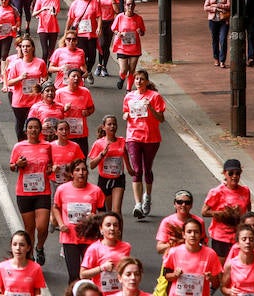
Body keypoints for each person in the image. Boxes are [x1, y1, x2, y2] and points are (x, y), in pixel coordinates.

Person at [52, 159, 106, 283]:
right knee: (74, 275)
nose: (81, 173)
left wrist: (95, 217)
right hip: (70, 237)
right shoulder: (62, 189)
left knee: (90, 275)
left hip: (90, 238)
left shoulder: (96, 191)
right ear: (71, 174)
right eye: (77, 170)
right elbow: (55, 207)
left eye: (84, 170)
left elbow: (104, 213)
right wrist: (61, 224)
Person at [8, 118, 52, 265]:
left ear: (40, 130)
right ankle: (31, 254)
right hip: (24, 192)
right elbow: (12, 167)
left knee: (42, 226)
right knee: (30, 228)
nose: (33, 130)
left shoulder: (47, 146)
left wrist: (52, 169)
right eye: (30, 127)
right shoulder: (19, 146)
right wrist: (17, 164)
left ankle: (39, 247)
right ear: (26, 130)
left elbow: (51, 164)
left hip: (42, 191)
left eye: (36, 128)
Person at [122, 70, 165, 220]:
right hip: (133, 136)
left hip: (151, 138)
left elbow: (161, 119)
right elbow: (125, 112)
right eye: (137, 79)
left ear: (147, 81)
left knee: (147, 169)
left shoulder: (155, 96)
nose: (139, 81)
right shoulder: (129, 96)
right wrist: (125, 115)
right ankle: (138, 204)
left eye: (142, 79)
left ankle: (148, 196)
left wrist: (150, 108)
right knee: (137, 169)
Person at [202, 158, 251, 263]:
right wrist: (222, 214)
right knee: (222, 266)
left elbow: (248, 211)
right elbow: (204, 212)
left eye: (237, 173)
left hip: (239, 235)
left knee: (239, 264)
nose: (234, 176)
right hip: (220, 236)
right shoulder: (216, 192)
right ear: (224, 173)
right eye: (231, 173)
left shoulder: (245, 191)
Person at [161, 217, 222, 296]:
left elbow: (217, 283)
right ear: (184, 234)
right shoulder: (174, 252)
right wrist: (175, 275)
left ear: (200, 235)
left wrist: (211, 278)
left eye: (196, 232)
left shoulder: (210, 254)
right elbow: (166, 276)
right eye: (189, 232)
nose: (192, 235)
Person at [88, 115, 134, 215]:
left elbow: (124, 153)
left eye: (114, 124)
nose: (112, 126)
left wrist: (129, 168)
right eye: (109, 124)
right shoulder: (98, 144)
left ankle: (119, 231)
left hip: (118, 178)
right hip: (104, 180)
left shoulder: (121, 141)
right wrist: (101, 155)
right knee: (108, 212)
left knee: (117, 211)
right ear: (104, 127)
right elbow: (91, 165)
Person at [79, 213, 132, 295]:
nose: (112, 228)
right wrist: (101, 268)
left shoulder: (126, 247)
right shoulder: (94, 249)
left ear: (119, 229)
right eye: (108, 225)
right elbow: (83, 274)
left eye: (115, 225)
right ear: (101, 229)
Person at [155, 190, 207, 256]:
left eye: (187, 202)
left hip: (193, 258)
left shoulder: (198, 221)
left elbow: (204, 244)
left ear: (191, 205)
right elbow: (159, 249)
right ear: (175, 204)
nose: (183, 205)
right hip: (172, 260)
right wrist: (173, 244)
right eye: (179, 202)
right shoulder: (167, 222)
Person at [0, 230, 46, 296]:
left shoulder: (36, 268)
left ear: (28, 248)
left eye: (22, 245)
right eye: (15, 244)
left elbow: (37, 289)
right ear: (11, 246)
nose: (18, 248)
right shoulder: (2, 267)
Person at [111, 0, 145, 91]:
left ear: (134, 6)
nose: (130, 6)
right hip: (122, 47)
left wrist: (140, 32)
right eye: (128, 4)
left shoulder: (138, 18)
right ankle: (122, 78)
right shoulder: (120, 17)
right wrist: (118, 33)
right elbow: (113, 28)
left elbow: (142, 32)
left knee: (132, 69)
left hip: (134, 48)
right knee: (123, 70)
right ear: (125, 6)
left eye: (132, 4)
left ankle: (128, 89)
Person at [204, 0, 231, 68]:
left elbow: (229, 6)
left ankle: (222, 60)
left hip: (224, 20)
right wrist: (215, 8)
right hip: (213, 21)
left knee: (223, 39)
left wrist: (217, 5)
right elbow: (205, 7)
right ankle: (216, 58)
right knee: (215, 40)